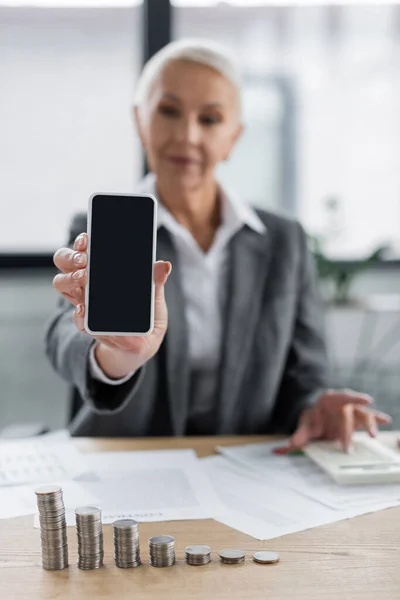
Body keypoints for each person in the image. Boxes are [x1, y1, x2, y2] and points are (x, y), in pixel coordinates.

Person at [46, 39, 391, 451]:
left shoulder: (284, 240)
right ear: (140, 121)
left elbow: (307, 373)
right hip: (127, 458)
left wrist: (316, 406)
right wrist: (118, 354)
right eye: (168, 111)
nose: (187, 135)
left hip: (247, 462)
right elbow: (64, 339)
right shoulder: (100, 228)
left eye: (210, 119)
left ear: (233, 138)